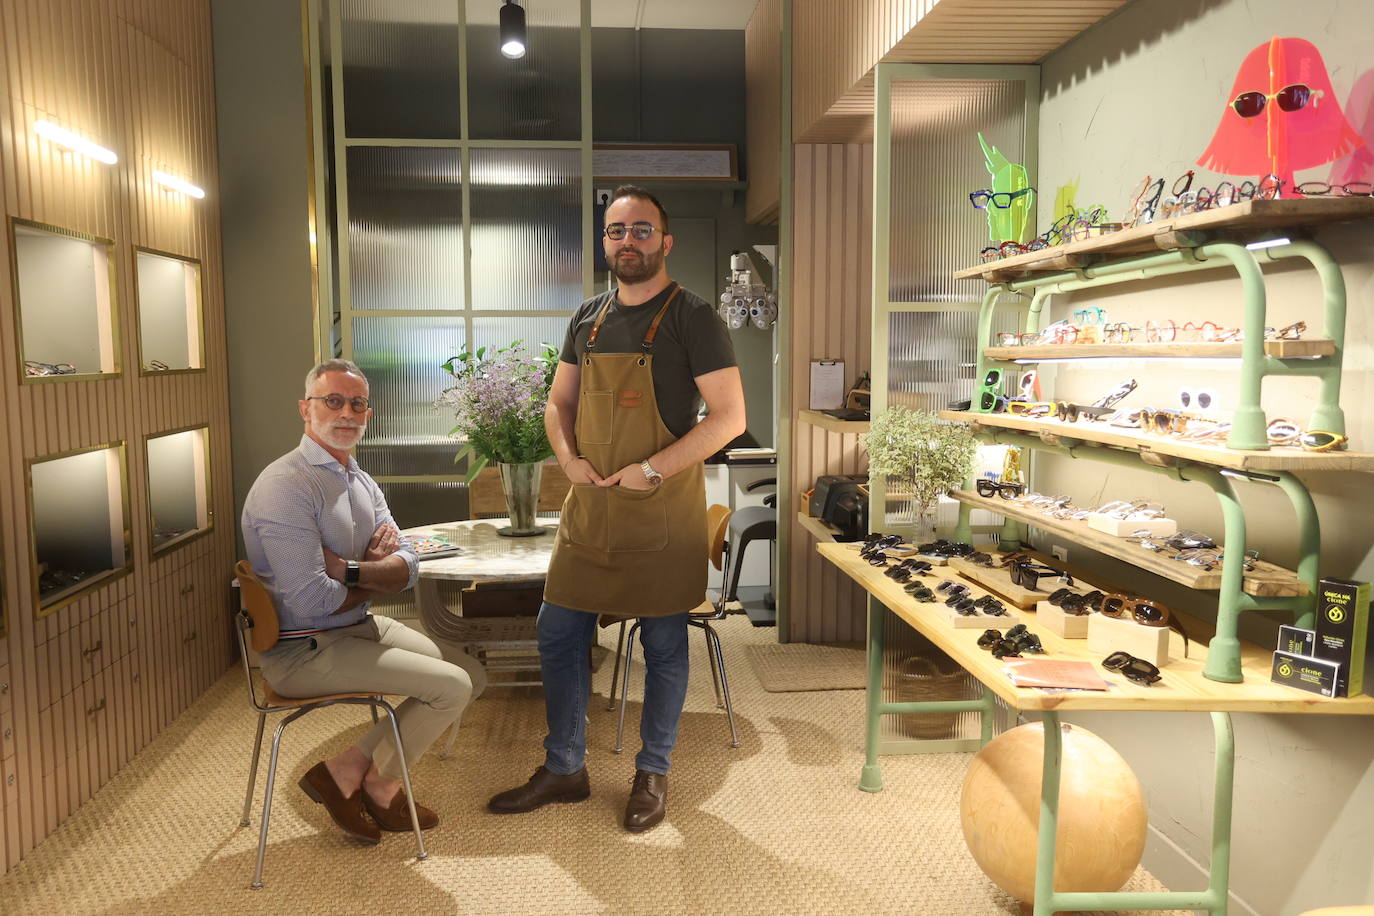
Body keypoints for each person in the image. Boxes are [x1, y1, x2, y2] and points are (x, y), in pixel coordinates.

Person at [487, 185, 747, 832]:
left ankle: (652, 772)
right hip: (589, 509)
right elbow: (557, 405)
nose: (626, 241)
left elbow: (730, 419)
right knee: (558, 632)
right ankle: (565, 767)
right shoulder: (587, 317)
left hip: (660, 511)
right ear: (605, 241)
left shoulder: (694, 317)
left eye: (639, 229)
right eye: (615, 231)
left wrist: (653, 467)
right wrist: (567, 460)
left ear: (664, 240)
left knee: (663, 645)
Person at [242, 359, 486, 844]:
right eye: (333, 401)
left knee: (474, 676)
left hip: (354, 625)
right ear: (305, 410)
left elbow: (410, 559)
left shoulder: (357, 478)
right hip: (302, 648)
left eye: (357, 404)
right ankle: (380, 783)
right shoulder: (286, 486)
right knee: (452, 687)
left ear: (368, 413)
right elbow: (312, 599)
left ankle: (346, 769)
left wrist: (351, 571)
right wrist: (379, 576)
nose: (347, 413)